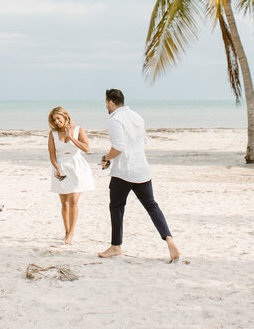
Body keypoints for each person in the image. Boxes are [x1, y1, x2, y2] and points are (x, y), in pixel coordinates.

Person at [97, 89, 180, 263]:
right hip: (142, 169)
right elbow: (143, 141)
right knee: (151, 205)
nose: (106, 105)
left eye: (106, 102)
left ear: (110, 102)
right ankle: (169, 238)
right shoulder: (136, 116)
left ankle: (116, 246)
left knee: (116, 207)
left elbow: (118, 146)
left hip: (123, 172)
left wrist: (106, 158)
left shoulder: (114, 119)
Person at [47, 106, 94, 244]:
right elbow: (52, 154)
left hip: (77, 166)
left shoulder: (78, 129)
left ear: (65, 116)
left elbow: (86, 148)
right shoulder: (53, 134)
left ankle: (71, 233)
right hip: (61, 167)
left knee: (73, 200)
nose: (56, 121)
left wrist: (71, 138)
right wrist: (57, 168)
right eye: (54, 119)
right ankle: (67, 231)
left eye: (58, 118)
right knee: (64, 203)